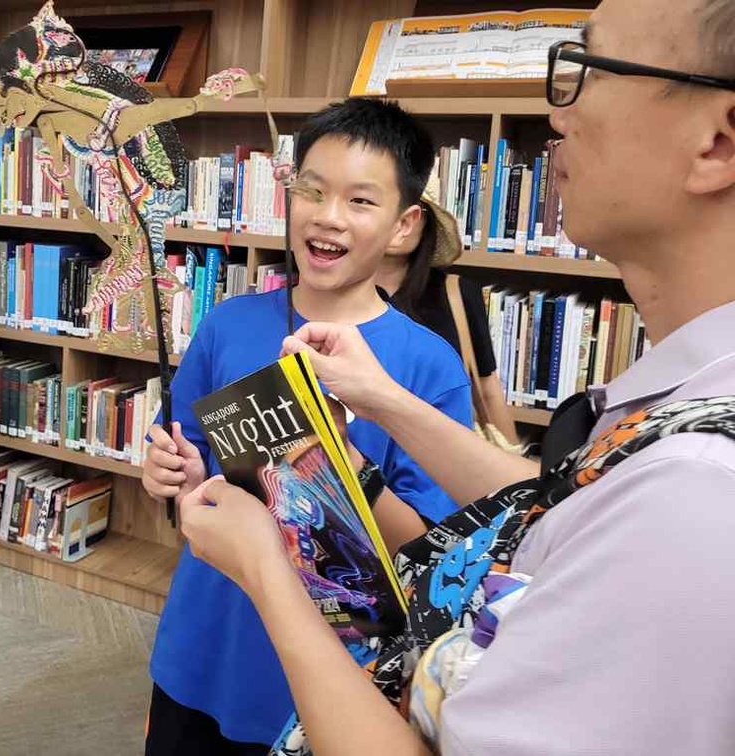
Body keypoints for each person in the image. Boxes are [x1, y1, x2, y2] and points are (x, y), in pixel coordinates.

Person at [177, 0, 735, 753]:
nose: (556, 114)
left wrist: (264, 566)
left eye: (587, 70)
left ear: (718, 142)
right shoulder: (675, 412)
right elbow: (549, 510)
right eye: (312, 189)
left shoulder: (696, 490)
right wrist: (373, 410)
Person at [141, 99, 474, 754]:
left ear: (405, 226)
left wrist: (333, 469)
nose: (327, 216)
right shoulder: (228, 325)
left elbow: (435, 554)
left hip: (326, 683)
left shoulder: (427, 367)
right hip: (200, 644)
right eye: (312, 192)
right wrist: (167, 472)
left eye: (359, 200)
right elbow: (182, 460)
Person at [377, 197, 518, 444]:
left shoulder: (456, 291)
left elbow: (487, 387)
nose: (399, 222)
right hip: (364, 451)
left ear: (426, 223)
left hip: (448, 451)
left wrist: (521, 476)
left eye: (411, 211)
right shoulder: (339, 291)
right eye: (389, 206)